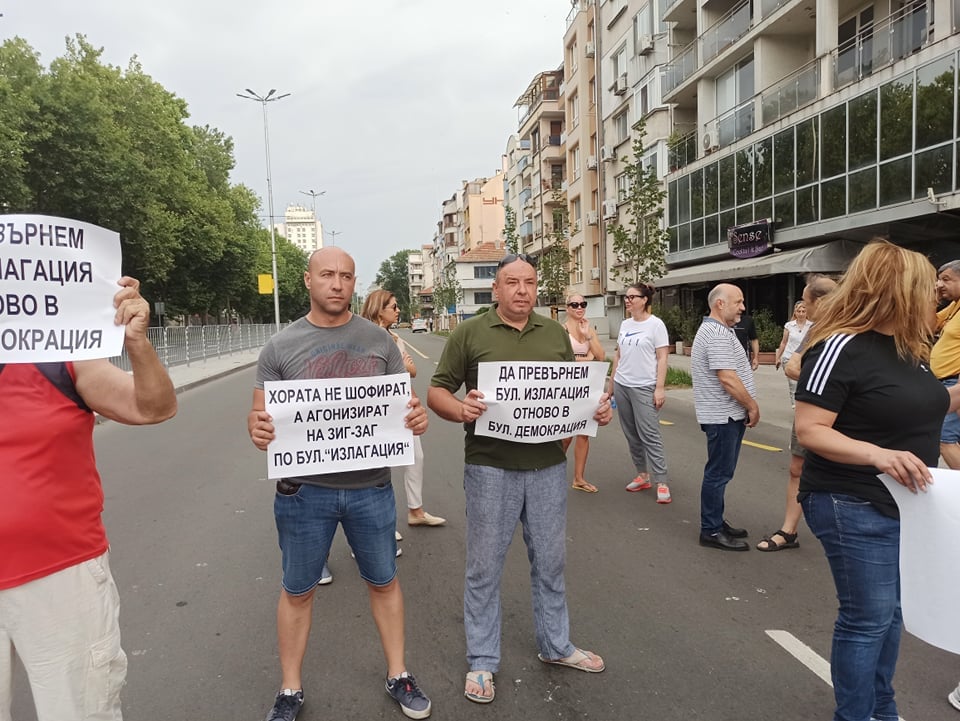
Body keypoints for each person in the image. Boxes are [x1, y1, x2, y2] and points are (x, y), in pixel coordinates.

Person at [248, 247, 432, 721]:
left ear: (354, 283)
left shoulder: (381, 342)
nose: (337, 283)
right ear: (307, 280)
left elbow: (404, 407)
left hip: (371, 487)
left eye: (346, 276)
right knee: (297, 590)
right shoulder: (279, 347)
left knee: (385, 582)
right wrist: (259, 429)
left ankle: (398, 674)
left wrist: (415, 417)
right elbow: (259, 417)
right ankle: (290, 690)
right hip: (303, 492)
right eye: (327, 274)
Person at [427, 253, 612, 705]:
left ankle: (556, 645)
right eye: (512, 282)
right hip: (490, 468)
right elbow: (436, 392)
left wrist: (596, 410)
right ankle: (483, 660)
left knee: (550, 562)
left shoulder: (555, 335)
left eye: (529, 282)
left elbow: (571, 396)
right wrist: (460, 410)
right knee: (484, 566)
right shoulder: (469, 334)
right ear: (496, 289)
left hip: (548, 468)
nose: (522, 291)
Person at [794, 240, 960, 721]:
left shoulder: (911, 348)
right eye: (928, 287)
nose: (937, 295)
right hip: (849, 500)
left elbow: (925, 406)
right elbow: (810, 430)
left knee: (890, 617)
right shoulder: (839, 345)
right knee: (868, 619)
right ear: (899, 289)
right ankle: (856, 714)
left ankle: (879, 709)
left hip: (905, 504)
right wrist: (879, 455)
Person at [1, 276, 177, 721]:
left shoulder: (58, 355)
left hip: (60, 575)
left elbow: (153, 407)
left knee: (79, 711)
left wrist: (136, 342)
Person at [756, 276, 836, 552]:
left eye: (806, 301)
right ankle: (789, 531)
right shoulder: (816, 331)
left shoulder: (853, 330)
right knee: (797, 468)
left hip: (843, 416)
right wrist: (823, 383)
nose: (802, 307)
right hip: (810, 409)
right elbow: (791, 366)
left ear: (821, 302)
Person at [361, 289, 446, 526]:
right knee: (378, 464)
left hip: (403, 404)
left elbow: (413, 371)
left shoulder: (397, 338)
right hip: (378, 408)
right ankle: (378, 523)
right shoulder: (367, 338)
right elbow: (382, 371)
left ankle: (415, 511)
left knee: (415, 457)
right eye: (394, 307)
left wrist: (403, 371)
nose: (398, 311)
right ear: (379, 309)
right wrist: (403, 367)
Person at [691, 283, 759, 551]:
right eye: (738, 302)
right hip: (723, 416)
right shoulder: (716, 334)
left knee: (721, 472)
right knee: (718, 473)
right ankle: (710, 529)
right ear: (720, 304)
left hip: (725, 415)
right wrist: (752, 406)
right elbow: (727, 379)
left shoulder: (719, 330)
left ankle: (716, 521)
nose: (742, 307)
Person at [608, 282, 672, 503]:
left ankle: (661, 481)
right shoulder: (625, 324)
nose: (627, 301)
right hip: (623, 384)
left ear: (644, 300)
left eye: (632, 297)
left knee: (650, 434)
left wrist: (659, 387)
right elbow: (618, 355)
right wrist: (611, 385)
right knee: (631, 434)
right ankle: (642, 474)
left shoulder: (656, 325)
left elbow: (663, 357)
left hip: (645, 385)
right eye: (626, 297)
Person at [561, 292, 605, 493]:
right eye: (575, 304)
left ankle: (579, 478)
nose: (579, 308)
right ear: (567, 307)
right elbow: (561, 360)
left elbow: (601, 356)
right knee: (566, 433)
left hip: (587, 385)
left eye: (583, 304)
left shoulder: (588, 329)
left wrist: (588, 335)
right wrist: (587, 358)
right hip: (565, 386)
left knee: (584, 432)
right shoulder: (560, 330)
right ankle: (552, 471)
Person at [932, 259, 960, 470]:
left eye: (946, 280)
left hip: (954, 383)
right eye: (938, 280)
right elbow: (928, 324)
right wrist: (933, 298)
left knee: (945, 441)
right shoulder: (954, 306)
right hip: (944, 384)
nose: (940, 284)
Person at [774, 300, 810, 408]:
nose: (801, 313)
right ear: (795, 312)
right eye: (799, 311)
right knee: (793, 383)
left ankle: (804, 403)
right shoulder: (789, 326)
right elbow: (784, 343)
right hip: (789, 357)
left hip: (805, 357)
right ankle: (795, 404)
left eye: (803, 311)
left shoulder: (811, 325)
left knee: (804, 382)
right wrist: (778, 357)